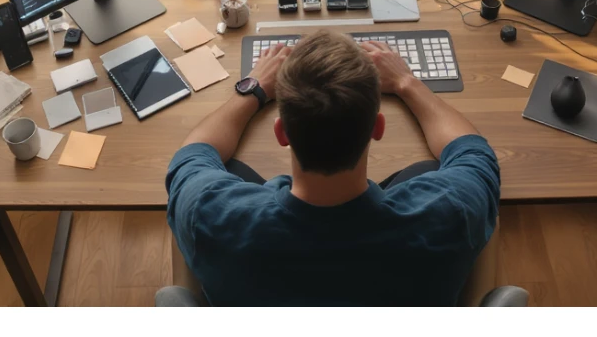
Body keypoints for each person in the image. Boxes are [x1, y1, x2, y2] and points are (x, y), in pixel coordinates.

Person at [165, 29, 501, 306]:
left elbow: (194, 153)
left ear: (281, 133)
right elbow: (472, 152)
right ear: (378, 128)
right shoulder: (451, 212)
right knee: (430, 168)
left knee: (229, 167)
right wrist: (406, 81)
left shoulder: (207, 212)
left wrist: (252, 89)